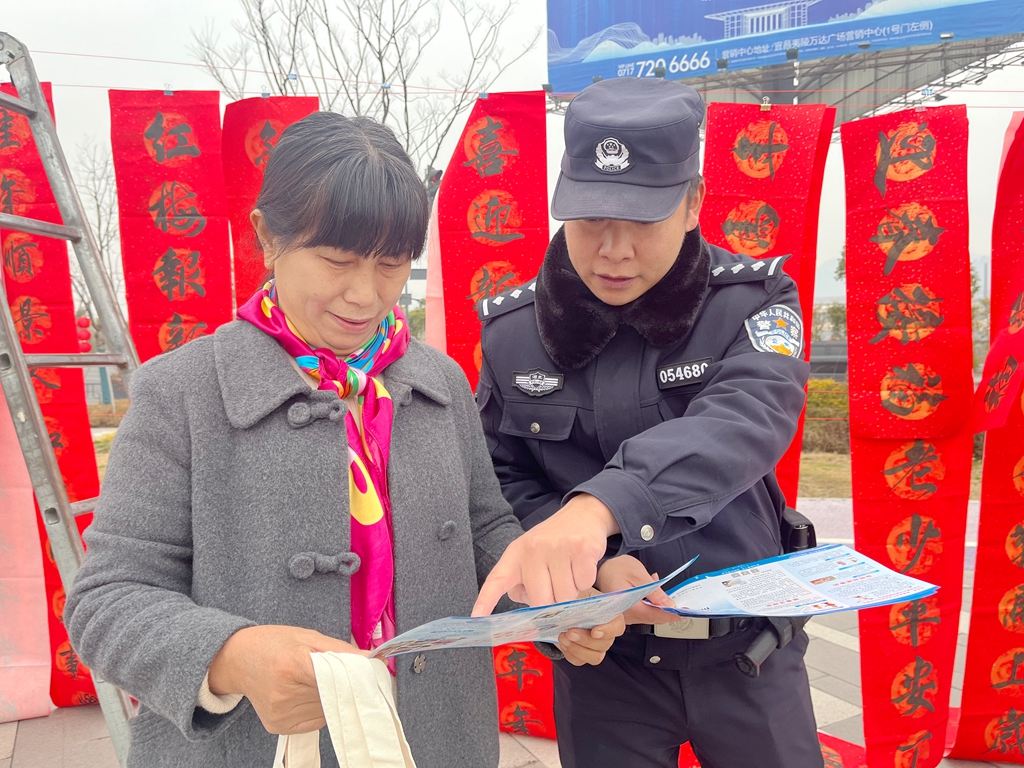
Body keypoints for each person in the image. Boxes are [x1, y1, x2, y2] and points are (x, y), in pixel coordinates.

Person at [64, 112, 623, 768]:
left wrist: (556, 603)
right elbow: (107, 599)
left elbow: (483, 532)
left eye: (391, 264)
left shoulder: (438, 383)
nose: (364, 295)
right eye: (336, 261)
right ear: (267, 237)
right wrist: (233, 657)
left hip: (436, 742)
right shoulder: (182, 393)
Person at [473, 78, 822, 767]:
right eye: (591, 219)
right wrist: (590, 576)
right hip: (606, 667)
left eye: (641, 221)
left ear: (692, 204)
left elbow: (749, 414)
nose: (613, 250)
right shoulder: (513, 334)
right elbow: (502, 481)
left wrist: (600, 508)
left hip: (749, 653)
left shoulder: (751, 301)